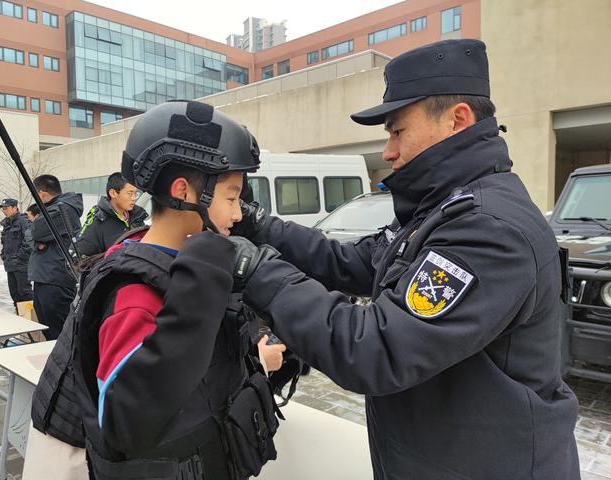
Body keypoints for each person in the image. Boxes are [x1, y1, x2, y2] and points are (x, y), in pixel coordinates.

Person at [228, 39, 580, 479]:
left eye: (397, 131)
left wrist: (259, 271)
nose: (389, 151)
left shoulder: (488, 229)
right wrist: (259, 226)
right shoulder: (442, 211)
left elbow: (375, 350)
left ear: (457, 120)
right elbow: (350, 262)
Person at [33, 100, 281, 480]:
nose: (237, 215)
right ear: (183, 192)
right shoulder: (135, 293)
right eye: (232, 198)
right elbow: (127, 421)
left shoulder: (172, 259)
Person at [30, 175, 83, 340]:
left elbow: (34, 231)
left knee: (58, 332)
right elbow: (32, 236)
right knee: (47, 327)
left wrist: (36, 235)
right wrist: (36, 242)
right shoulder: (53, 209)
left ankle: (63, 365)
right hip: (46, 277)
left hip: (55, 279)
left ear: (42, 194)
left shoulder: (62, 209)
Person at [75, 172, 147, 258]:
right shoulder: (98, 221)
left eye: (136, 194)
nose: (134, 198)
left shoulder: (137, 217)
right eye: (130, 194)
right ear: (113, 193)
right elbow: (81, 258)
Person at [0, 198, 33, 308]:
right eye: (3, 208)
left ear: (15, 208)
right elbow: (6, 242)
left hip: (21, 264)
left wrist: (20, 257)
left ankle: (31, 318)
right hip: (10, 264)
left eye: (6, 208)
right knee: (14, 293)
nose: (4, 211)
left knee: (24, 292)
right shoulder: (7, 223)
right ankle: (21, 316)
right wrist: (3, 255)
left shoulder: (23, 221)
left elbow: (29, 240)